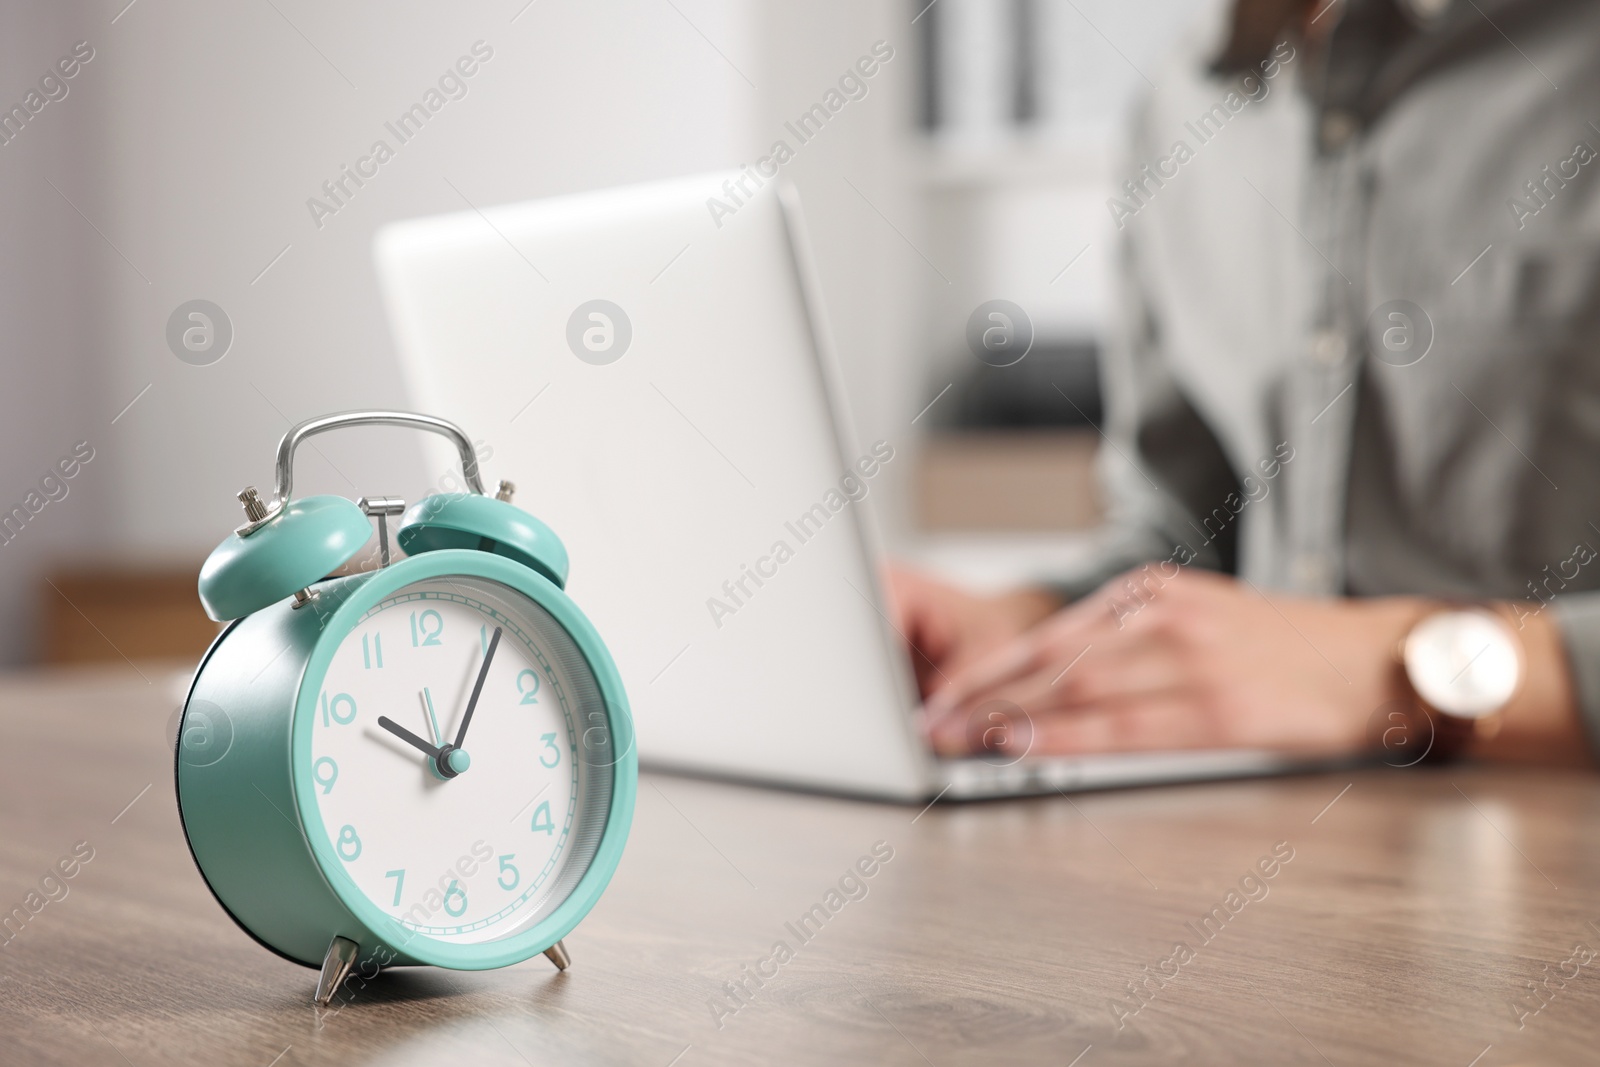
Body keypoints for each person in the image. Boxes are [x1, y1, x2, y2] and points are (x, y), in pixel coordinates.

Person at [890, 0, 1600, 767]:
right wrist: (1026, 626)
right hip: (1257, 837)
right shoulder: (1176, 107)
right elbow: (1183, 538)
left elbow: (1299, 664)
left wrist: (1389, 672)